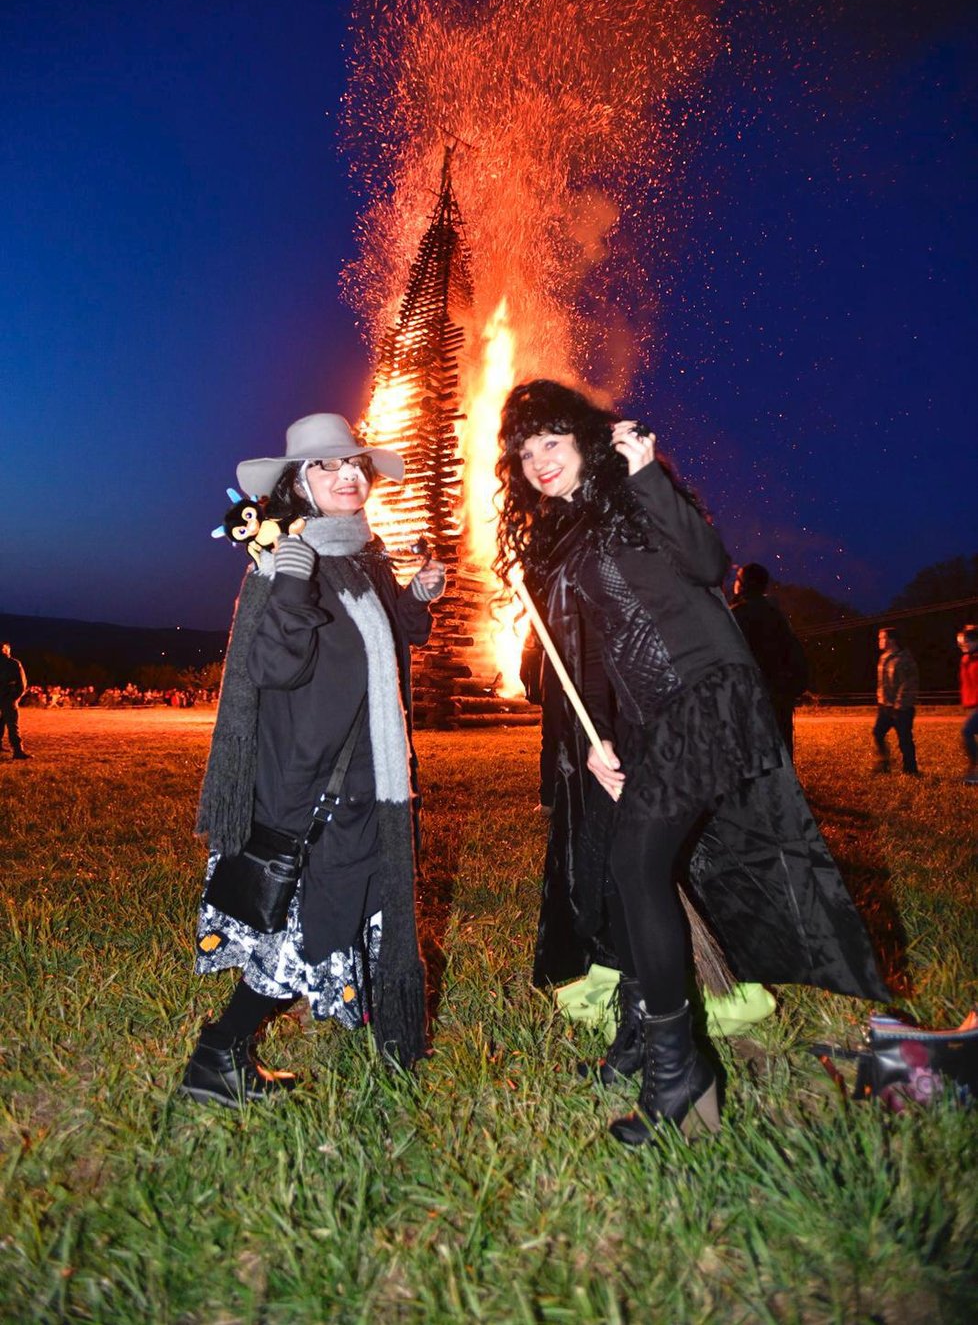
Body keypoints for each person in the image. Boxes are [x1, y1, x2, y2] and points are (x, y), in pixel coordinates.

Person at [495, 380, 887, 1147]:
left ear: (585, 439)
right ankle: (642, 1040)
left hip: (707, 698)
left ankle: (680, 1075)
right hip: (648, 721)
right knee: (625, 868)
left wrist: (648, 471)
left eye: (553, 442)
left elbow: (709, 562)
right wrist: (598, 742)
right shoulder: (566, 532)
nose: (540, 460)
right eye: (525, 451)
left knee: (639, 867)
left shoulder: (634, 495)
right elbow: (592, 658)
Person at [182, 413, 446, 1107]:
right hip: (315, 781)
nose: (347, 475)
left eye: (354, 464)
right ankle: (221, 1052)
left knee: (329, 915)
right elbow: (273, 666)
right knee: (313, 923)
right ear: (299, 484)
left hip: (362, 774)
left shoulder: (364, 559)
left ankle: (231, 1055)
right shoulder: (285, 563)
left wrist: (417, 595)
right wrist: (293, 586)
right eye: (327, 467)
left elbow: (386, 642)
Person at [729, 563, 808, 758]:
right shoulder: (777, 616)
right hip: (778, 701)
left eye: (738, 579)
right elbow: (798, 659)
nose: (734, 584)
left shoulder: (736, 616)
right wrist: (789, 692)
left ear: (744, 585)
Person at [873, 627, 919, 776]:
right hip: (885, 706)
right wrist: (881, 699)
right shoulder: (883, 658)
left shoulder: (905, 659)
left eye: (882, 638)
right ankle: (884, 762)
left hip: (901, 708)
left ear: (892, 640)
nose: (879, 641)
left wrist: (899, 704)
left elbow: (909, 683)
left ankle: (910, 769)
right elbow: (882, 682)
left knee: (904, 739)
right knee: (878, 733)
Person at [0, 642, 30, 759]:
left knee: (3, 722)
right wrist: (15, 697)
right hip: (8, 698)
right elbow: (22, 684)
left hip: (8, 697)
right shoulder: (14, 663)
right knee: (12, 724)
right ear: (7, 650)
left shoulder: (13, 663)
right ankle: (18, 751)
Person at [957, 624, 978, 786]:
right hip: (972, 705)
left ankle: (975, 768)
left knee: (967, 731)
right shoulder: (966, 659)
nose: (963, 645)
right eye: (960, 643)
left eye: (966, 642)